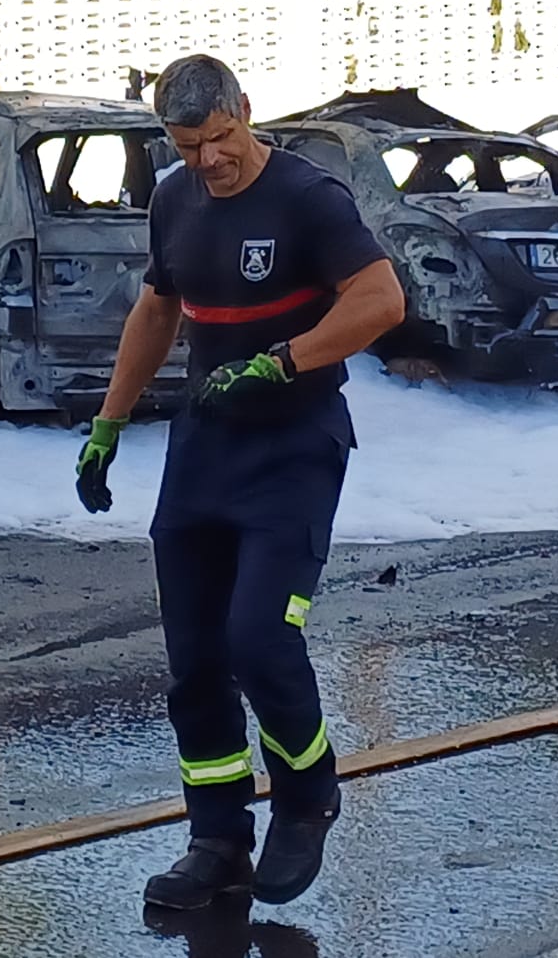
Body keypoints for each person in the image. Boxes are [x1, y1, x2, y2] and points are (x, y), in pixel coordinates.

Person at [76, 55, 405, 912]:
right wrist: (109, 424)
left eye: (220, 139)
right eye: (189, 147)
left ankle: (307, 798)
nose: (209, 161)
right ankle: (216, 838)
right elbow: (157, 309)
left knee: (261, 640)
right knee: (196, 662)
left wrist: (286, 361)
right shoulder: (175, 201)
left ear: (245, 114)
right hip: (204, 449)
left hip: (294, 448)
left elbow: (381, 301)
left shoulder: (307, 199)